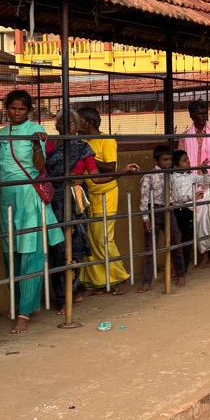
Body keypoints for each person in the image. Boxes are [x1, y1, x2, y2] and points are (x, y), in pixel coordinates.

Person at [0, 89, 63, 334]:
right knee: (10, 250)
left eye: (21, 109)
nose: (16, 112)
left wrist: (37, 145)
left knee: (30, 251)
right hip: (6, 197)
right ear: (7, 108)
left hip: (28, 195)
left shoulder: (36, 131)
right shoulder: (1, 134)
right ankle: (16, 304)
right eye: (12, 108)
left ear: (29, 111)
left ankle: (24, 312)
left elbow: (39, 166)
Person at [44, 110, 102, 311]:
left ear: (78, 126)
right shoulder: (49, 146)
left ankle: (67, 295)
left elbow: (94, 175)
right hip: (53, 200)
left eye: (73, 123)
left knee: (74, 246)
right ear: (57, 125)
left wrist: (121, 173)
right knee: (56, 247)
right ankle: (60, 295)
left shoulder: (83, 148)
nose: (68, 126)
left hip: (75, 201)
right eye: (63, 122)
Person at [75, 106, 129, 294]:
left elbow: (111, 167)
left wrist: (88, 158)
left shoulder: (106, 140)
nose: (76, 123)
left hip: (106, 193)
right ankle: (96, 281)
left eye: (79, 119)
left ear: (89, 122)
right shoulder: (81, 140)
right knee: (88, 239)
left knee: (103, 238)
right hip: (88, 194)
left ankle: (120, 276)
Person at [180, 100, 210, 268]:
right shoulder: (185, 136)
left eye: (204, 113)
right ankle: (204, 255)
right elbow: (181, 162)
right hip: (194, 183)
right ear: (191, 115)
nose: (202, 117)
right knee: (198, 218)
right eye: (198, 114)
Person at [138, 145, 188, 292]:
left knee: (175, 243)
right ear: (156, 160)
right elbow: (143, 199)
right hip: (154, 211)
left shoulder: (171, 175)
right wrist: (145, 218)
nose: (167, 162)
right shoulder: (149, 176)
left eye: (170, 159)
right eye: (164, 159)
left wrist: (191, 197)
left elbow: (176, 196)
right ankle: (147, 282)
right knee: (149, 248)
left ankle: (181, 274)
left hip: (169, 210)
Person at [170, 149, 207, 270]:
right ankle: (175, 266)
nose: (188, 162)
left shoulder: (191, 176)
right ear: (176, 165)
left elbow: (207, 181)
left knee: (187, 239)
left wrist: (204, 170)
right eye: (184, 160)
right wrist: (192, 197)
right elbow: (176, 197)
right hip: (175, 210)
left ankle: (183, 268)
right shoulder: (171, 178)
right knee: (174, 240)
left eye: (187, 159)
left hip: (188, 210)